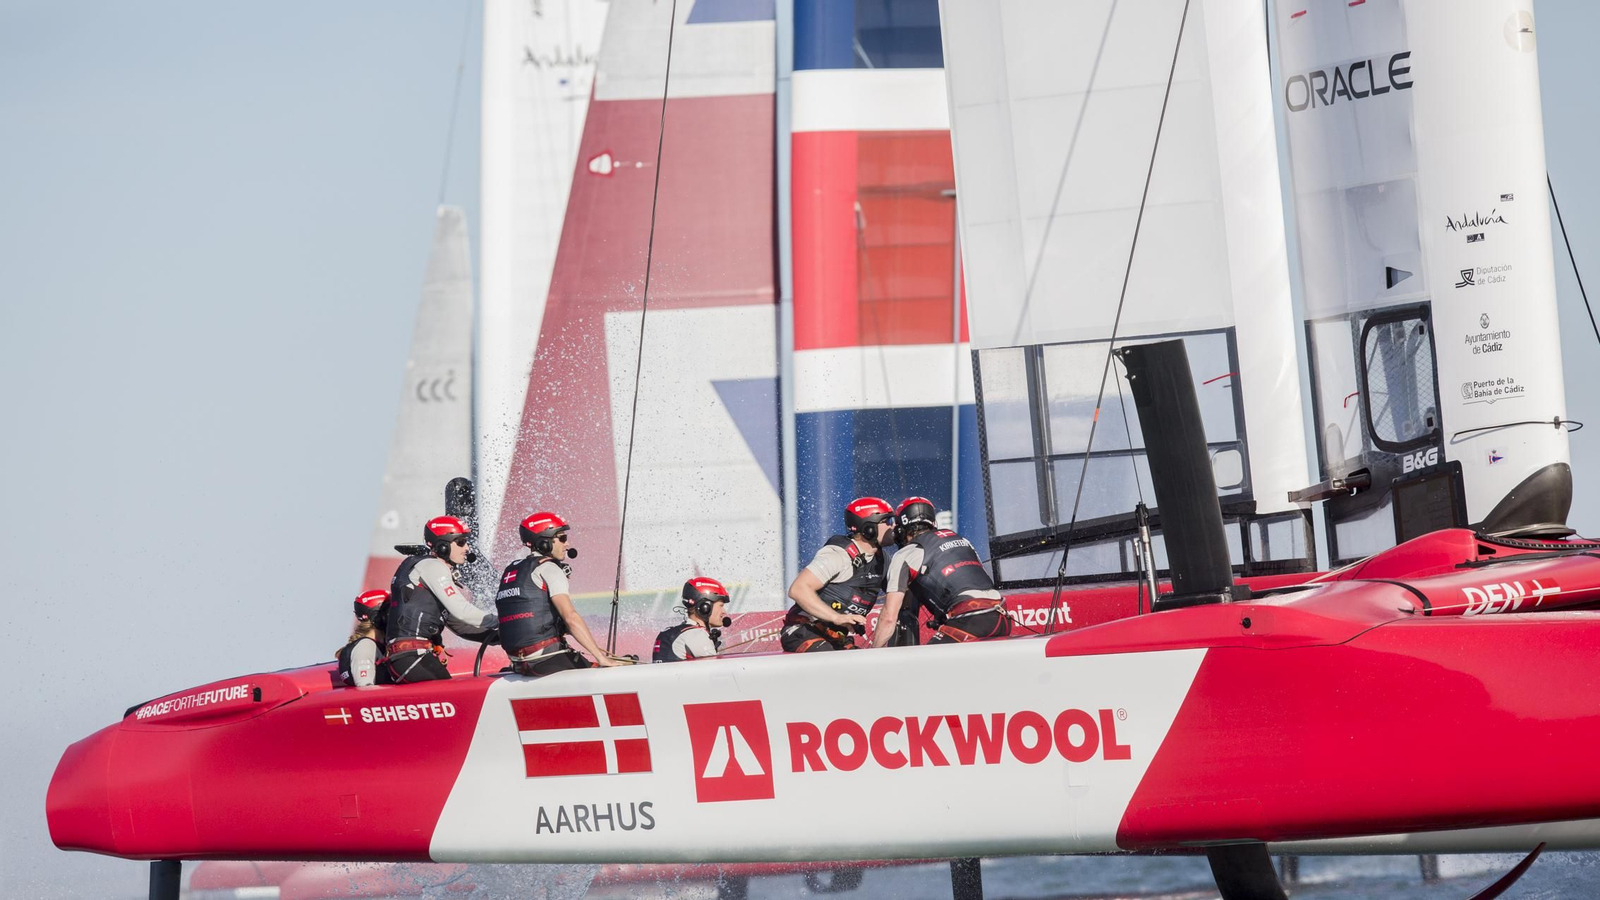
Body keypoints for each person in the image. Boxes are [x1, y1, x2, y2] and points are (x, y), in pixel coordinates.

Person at [496, 511, 622, 676]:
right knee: (620, 665)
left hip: (519, 662)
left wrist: (593, 647)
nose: (567, 544)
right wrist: (600, 657)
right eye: (562, 538)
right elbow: (570, 618)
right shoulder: (549, 568)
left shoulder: (511, 570)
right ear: (545, 542)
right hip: (546, 659)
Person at [874, 496, 1010, 647]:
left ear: (901, 529)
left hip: (970, 621)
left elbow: (888, 618)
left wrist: (873, 656)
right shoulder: (962, 539)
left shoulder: (905, 554)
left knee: (924, 669)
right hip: (1002, 617)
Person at [382, 516, 500, 683]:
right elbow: (463, 611)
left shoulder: (427, 569)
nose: (467, 548)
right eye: (460, 542)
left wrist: (501, 636)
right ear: (443, 546)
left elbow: (459, 625)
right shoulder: (432, 567)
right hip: (412, 656)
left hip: (407, 657)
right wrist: (503, 622)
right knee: (460, 702)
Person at [782, 497, 894, 652]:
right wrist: (837, 617)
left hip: (837, 638)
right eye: (887, 521)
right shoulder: (838, 554)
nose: (893, 526)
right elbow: (798, 589)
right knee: (832, 663)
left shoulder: (882, 560)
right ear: (869, 527)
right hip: (802, 631)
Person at [653, 577, 732, 662]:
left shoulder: (677, 632)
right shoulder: (697, 634)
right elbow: (716, 672)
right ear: (705, 607)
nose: (724, 612)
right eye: (721, 606)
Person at [336, 589, 391, 687]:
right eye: (390, 612)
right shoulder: (365, 646)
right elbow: (365, 689)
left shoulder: (377, 647)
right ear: (377, 617)